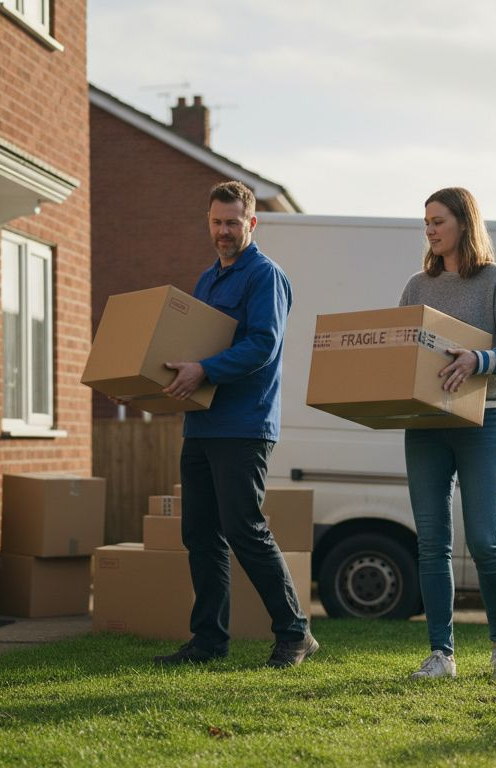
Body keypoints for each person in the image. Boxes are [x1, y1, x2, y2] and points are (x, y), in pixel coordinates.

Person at [151, 180, 317, 669]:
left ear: (251, 223)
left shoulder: (265, 277)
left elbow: (262, 345)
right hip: (202, 425)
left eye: (232, 223)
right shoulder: (207, 280)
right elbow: (191, 345)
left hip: (245, 424)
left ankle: (294, 632)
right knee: (200, 534)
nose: (223, 232)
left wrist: (205, 370)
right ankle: (207, 641)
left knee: (243, 528)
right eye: (216, 223)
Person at [401, 187, 496, 682]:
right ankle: (442, 654)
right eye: (426, 223)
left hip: (483, 421)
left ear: (463, 222)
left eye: (438, 221)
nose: (430, 230)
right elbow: (400, 348)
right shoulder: (417, 286)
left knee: (483, 539)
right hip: (425, 426)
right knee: (432, 542)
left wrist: (480, 359)